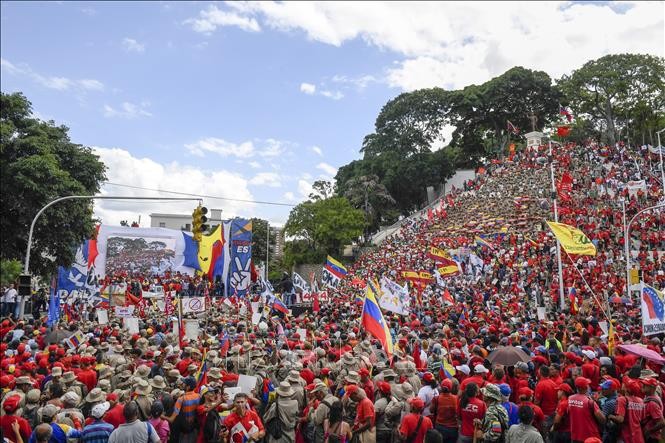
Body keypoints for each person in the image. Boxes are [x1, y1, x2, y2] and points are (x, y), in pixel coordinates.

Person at [566, 377, 605, 443]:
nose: (588, 386)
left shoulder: (570, 398)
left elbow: (568, 413)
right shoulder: (589, 402)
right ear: (585, 387)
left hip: (575, 435)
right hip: (591, 437)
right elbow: (602, 419)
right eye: (587, 385)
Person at [430, 378, 458, 443]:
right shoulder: (456, 398)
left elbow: (431, 410)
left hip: (440, 426)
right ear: (451, 388)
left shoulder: (436, 398)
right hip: (453, 428)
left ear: (441, 387)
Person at [640, 378, 665, 443]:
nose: (642, 385)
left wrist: (649, 431)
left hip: (651, 438)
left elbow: (662, 422)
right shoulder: (649, 397)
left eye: (645, 384)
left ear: (652, 388)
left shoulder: (652, 403)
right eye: (643, 384)